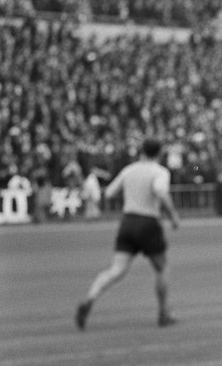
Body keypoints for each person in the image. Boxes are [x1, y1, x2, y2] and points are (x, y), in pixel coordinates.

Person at [75, 138, 180, 329]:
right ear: (159, 153)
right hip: (148, 221)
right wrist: (172, 216)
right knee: (162, 267)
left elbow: (110, 193)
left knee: (116, 270)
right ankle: (164, 313)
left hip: (128, 222)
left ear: (142, 151)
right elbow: (160, 191)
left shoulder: (129, 170)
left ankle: (90, 299)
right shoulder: (159, 172)